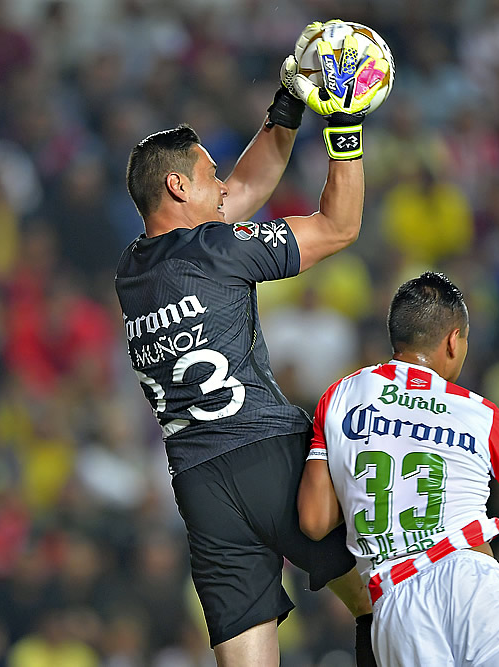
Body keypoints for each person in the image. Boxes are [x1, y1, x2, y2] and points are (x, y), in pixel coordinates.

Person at [113, 21, 390, 667]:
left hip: (201, 485)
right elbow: (340, 226)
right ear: (178, 187)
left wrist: (287, 108)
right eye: (209, 172)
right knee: (382, 603)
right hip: (273, 456)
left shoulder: (132, 270)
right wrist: (342, 125)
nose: (223, 183)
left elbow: (240, 193)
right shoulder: (216, 249)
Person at [297, 271, 499, 666]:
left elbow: (315, 521)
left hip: (395, 609)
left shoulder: (339, 397)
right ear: (454, 341)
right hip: (470, 583)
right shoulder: (481, 414)